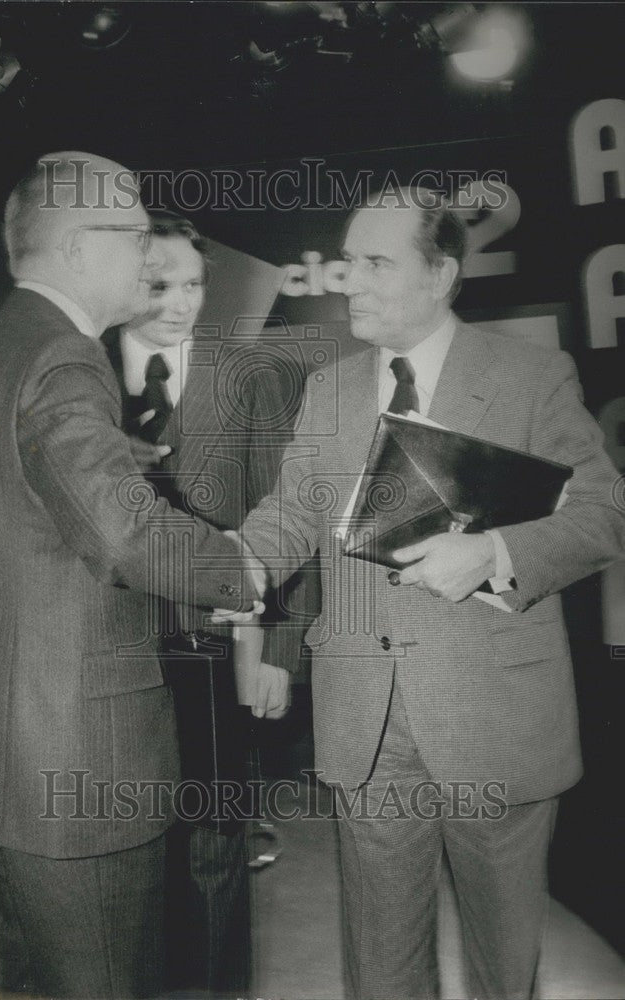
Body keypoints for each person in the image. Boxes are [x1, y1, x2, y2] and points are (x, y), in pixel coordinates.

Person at [216, 188, 625, 999]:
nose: (350, 283)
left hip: (496, 718)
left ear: (441, 274)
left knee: (501, 962)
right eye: (346, 263)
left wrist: (494, 551)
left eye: (376, 263)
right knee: (379, 958)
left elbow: (605, 510)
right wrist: (230, 567)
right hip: (363, 720)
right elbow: (290, 514)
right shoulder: (328, 389)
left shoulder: (531, 377)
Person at [0, 152, 259, 1000]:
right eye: (137, 234)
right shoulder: (68, 359)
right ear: (76, 248)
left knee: (37, 980)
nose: (149, 257)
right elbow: (128, 542)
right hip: (78, 765)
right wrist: (243, 566)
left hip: (1, 757)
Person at [102, 211, 315, 996]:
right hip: (108, 654)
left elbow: (288, 512)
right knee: (128, 842)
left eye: (192, 283)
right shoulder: (78, 372)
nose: (180, 301)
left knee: (215, 840)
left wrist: (277, 652)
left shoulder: (245, 376)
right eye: (159, 285)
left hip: (222, 651)